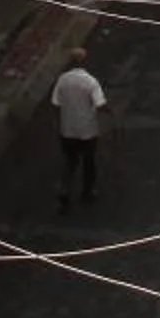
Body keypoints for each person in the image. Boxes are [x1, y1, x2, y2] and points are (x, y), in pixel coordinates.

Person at [50, 47, 107, 210]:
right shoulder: (90, 81)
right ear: (85, 61)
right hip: (88, 130)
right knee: (89, 162)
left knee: (70, 161)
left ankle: (64, 189)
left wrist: (59, 122)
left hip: (67, 129)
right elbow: (100, 104)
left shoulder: (63, 79)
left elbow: (55, 103)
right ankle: (87, 191)